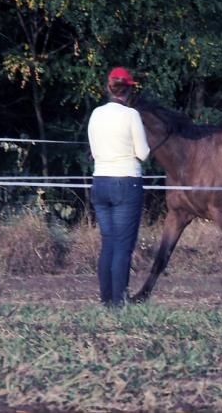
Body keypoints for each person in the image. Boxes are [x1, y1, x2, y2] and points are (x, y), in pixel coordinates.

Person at [87, 67, 150, 307]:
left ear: (109, 87)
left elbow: (94, 152)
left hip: (100, 181)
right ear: (129, 90)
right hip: (126, 182)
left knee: (108, 244)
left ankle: (106, 300)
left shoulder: (95, 114)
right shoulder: (131, 115)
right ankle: (118, 301)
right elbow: (143, 154)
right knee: (123, 247)